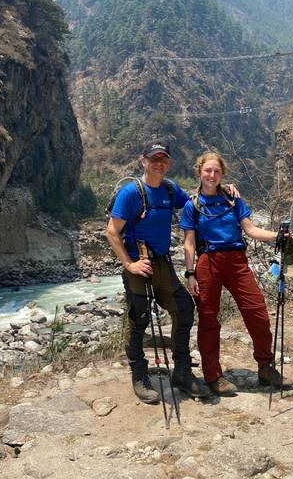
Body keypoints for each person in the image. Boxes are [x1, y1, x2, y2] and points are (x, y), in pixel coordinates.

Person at [106, 138, 212, 403]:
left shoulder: (169, 189)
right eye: (154, 159)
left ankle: (182, 372)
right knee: (139, 317)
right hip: (138, 264)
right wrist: (129, 264)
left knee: (184, 308)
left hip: (162, 263)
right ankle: (140, 376)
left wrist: (219, 188)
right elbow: (112, 231)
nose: (159, 164)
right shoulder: (131, 193)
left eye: (163, 160)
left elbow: (194, 202)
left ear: (168, 163)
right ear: (144, 161)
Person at [179, 151, 293, 396]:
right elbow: (189, 243)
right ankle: (214, 376)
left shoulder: (233, 199)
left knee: (257, 312)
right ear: (199, 172)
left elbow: (250, 230)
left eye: (217, 171)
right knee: (209, 320)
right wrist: (190, 274)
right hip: (208, 262)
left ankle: (265, 367)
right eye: (207, 170)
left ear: (222, 174)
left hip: (237, 262)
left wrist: (277, 236)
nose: (212, 175)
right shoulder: (192, 205)